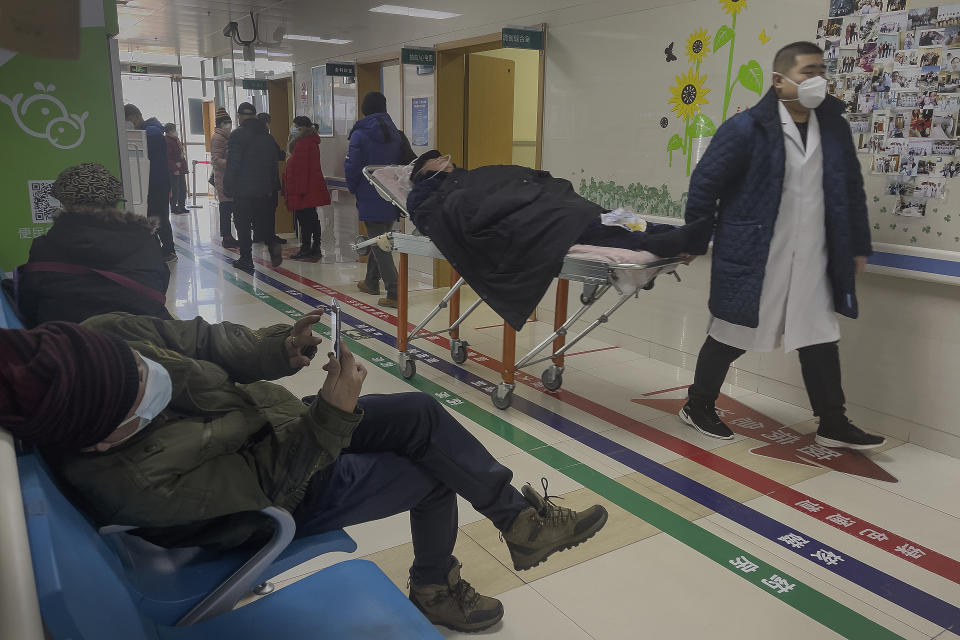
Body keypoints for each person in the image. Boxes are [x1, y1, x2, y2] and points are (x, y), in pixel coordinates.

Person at [0, 315, 608, 633]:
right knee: (430, 472)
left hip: (275, 426)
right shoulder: (132, 479)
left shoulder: (105, 335)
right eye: (140, 396)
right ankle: (434, 588)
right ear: (108, 434)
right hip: (267, 500)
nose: (151, 379)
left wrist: (274, 350)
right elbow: (273, 487)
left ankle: (519, 522)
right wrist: (331, 418)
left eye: (139, 367)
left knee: (422, 413)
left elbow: (200, 340)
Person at [680, 41, 886, 450]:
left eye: (822, 71)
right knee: (732, 331)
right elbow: (705, 183)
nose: (818, 80)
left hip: (814, 255)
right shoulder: (746, 128)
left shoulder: (833, 126)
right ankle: (698, 404)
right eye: (808, 71)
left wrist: (857, 244)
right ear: (779, 81)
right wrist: (695, 238)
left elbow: (850, 189)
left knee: (819, 335)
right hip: (756, 254)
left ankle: (832, 421)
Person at [404, 150, 704, 332]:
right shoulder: (431, 195)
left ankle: (661, 230)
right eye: (436, 160)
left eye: (443, 156)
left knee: (610, 217)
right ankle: (665, 242)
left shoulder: (475, 175)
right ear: (424, 173)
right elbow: (434, 214)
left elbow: (512, 179)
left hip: (557, 203)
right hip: (541, 219)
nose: (444, 159)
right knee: (597, 226)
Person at [14, 163, 171, 327]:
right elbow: (159, 287)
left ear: (65, 203)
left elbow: (29, 308)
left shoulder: (44, 248)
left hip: (71, 343)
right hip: (148, 338)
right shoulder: (147, 241)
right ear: (115, 202)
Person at [345, 91, 416, 309]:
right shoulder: (395, 132)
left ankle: (395, 292)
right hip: (391, 191)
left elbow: (353, 165)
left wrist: (353, 186)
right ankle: (370, 281)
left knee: (379, 242)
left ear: (364, 109)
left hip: (370, 191)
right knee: (379, 237)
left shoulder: (360, 134)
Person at [224, 102, 286, 271]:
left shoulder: (237, 135)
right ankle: (272, 244)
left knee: (243, 225)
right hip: (264, 188)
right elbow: (275, 160)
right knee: (263, 223)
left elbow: (233, 164)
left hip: (243, 190)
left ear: (239, 116)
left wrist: (228, 186)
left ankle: (246, 259)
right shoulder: (267, 136)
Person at [124, 104, 174, 262]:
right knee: (155, 215)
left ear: (136, 117)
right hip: (152, 181)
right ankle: (160, 249)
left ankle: (168, 251)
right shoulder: (149, 131)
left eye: (128, 120)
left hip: (156, 182)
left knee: (159, 216)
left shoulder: (151, 132)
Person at [284, 116, 330, 260]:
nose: (293, 129)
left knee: (304, 219)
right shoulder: (310, 141)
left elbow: (300, 169)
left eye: (295, 127)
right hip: (309, 186)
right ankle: (314, 246)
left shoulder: (303, 143)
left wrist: (299, 191)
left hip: (303, 188)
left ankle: (306, 248)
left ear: (302, 128)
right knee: (312, 218)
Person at [210, 107, 240, 249]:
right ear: (220, 124)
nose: (229, 125)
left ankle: (229, 236)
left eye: (230, 122)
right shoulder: (218, 138)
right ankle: (227, 237)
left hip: (230, 178)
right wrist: (232, 164)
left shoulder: (226, 136)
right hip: (223, 178)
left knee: (229, 208)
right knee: (226, 209)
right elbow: (216, 159)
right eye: (226, 122)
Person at [164, 123, 188, 214]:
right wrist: (174, 168)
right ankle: (174, 207)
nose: (176, 132)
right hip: (174, 169)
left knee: (182, 188)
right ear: (169, 131)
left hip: (180, 168)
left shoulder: (175, 140)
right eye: (174, 130)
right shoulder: (167, 141)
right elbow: (168, 157)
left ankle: (182, 206)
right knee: (175, 189)